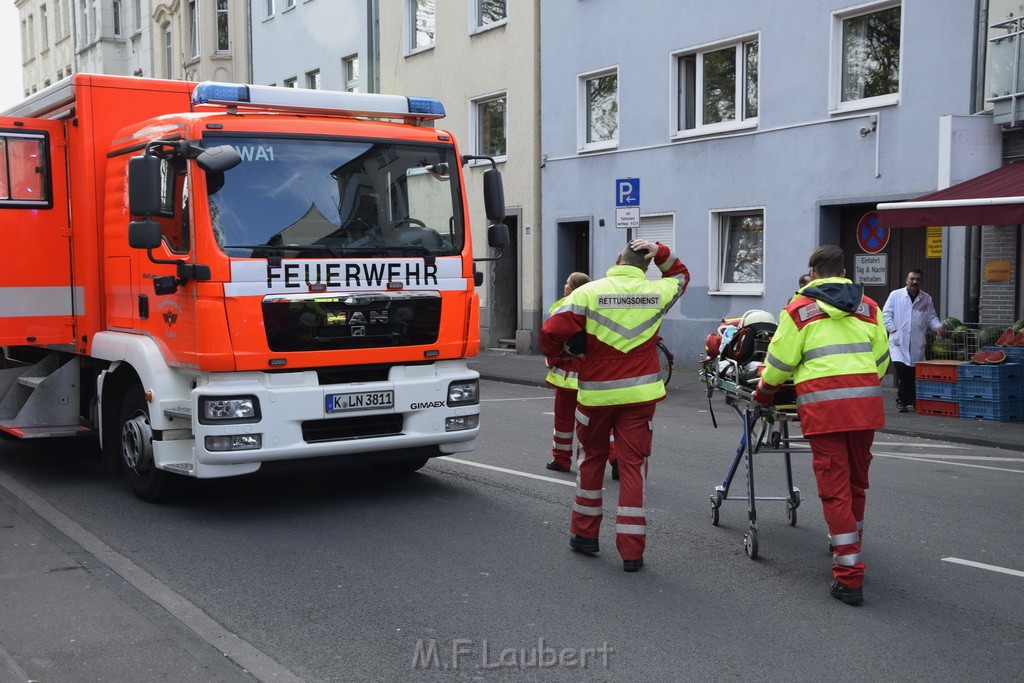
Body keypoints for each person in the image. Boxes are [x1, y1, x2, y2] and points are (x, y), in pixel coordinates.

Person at [752, 245, 889, 605]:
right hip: (864, 408)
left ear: (813, 273)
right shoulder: (869, 306)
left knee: (835, 487)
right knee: (857, 483)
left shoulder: (799, 310)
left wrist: (763, 394)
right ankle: (848, 546)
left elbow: (780, 363)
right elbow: (882, 360)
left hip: (824, 409)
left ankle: (848, 575)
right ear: (843, 271)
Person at [541, 239, 689, 572]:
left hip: (596, 395)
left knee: (591, 459)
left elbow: (551, 330)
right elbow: (681, 276)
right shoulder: (657, 293)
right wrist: (661, 251)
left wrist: (561, 355)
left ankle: (584, 536)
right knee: (633, 467)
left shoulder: (587, 293)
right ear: (646, 265)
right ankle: (632, 553)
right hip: (639, 397)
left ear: (617, 260)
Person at [544, 272, 591, 473]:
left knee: (563, 420)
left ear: (573, 288)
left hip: (567, 374)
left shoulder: (561, 307)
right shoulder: (595, 306)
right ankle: (615, 459)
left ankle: (562, 460)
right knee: (599, 421)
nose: (564, 286)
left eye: (567, 283)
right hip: (592, 373)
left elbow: (552, 338)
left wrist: (552, 360)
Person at [882, 269, 944, 413]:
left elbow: (931, 317)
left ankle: (910, 401)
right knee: (903, 370)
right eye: (912, 279)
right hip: (898, 341)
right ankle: (902, 401)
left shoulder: (926, 298)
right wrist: (893, 330)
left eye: (918, 279)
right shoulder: (895, 295)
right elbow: (886, 314)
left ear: (921, 281)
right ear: (906, 280)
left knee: (913, 373)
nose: (915, 282)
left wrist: (938, 326)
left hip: (917, 343)